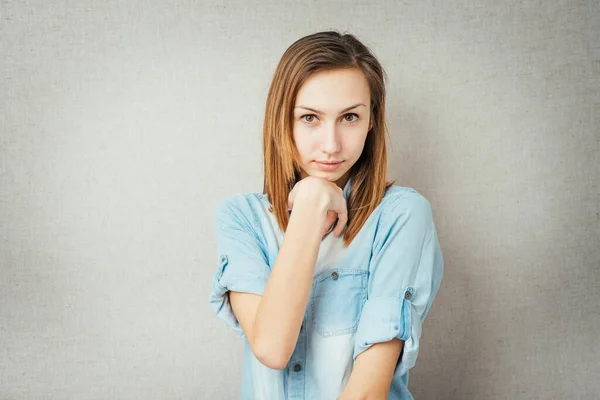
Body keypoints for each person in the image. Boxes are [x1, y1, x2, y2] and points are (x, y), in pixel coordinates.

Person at [209, 31, 444, 400]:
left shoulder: (401, 215)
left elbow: (368, 392)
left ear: (371, 121)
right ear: (282, 122)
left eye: (349, 116)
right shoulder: (242, 219)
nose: (331, 144)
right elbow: (271, 348)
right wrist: (309, 206)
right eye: (310, 118)